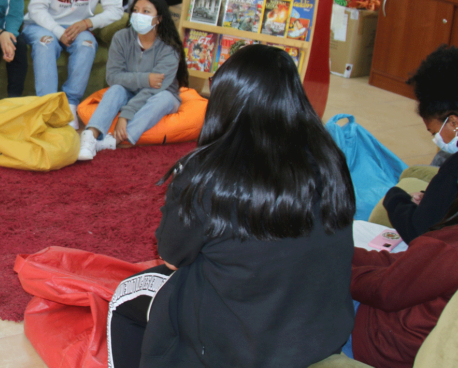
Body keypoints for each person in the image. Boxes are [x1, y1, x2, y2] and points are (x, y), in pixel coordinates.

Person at [107, 44, 356, 368]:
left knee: (125, 297)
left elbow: (171, 256)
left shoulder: (207, 174)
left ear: (225, 102)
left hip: (236, 348)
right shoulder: (329, 158)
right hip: (319, 335)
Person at [22, 0, 123, 129]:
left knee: (87, 44)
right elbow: (35, 9)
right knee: (46, 43)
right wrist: (58, 32)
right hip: (42, 24)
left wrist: (88, 23)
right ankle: (48, 106)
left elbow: (116, 10)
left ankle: (70, 104)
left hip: (78, 27)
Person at [347, 196, 458, 368]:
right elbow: (405, 264)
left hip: (380, 341)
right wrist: (342, 253)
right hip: (406, 341)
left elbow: (383, 292)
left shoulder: (448, 251)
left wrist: (335, 270)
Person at [77, 0, 187, 161]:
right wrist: (145, 78)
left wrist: (125, 115)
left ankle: (114, 140)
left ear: (158, 19)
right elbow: (113, 76)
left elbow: (154, 88)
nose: (138, 15)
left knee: (163, 98)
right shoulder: (121, 38)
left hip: (159, 94)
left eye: (146, 11)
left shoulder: (169, 48)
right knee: (115, 89)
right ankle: (90, 137)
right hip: (129, 91)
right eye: (135, 10)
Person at [383, 45, 458, 244]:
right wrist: (432, 198)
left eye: (434, 133)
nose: (437, 140)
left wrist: (394, 198)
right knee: (414, 172)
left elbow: (418, 232)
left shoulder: (452, 171)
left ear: (453, 122)